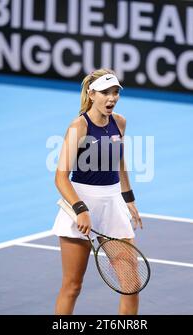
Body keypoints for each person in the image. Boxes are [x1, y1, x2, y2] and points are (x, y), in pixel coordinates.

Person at [52, 68, 143, 315]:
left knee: (131, 286)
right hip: (80, 203)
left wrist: (129, 198)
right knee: (72, 286)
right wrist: (80, 210)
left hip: (113, 204)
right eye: (105, 92)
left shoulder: (120, 122)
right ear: (91, 94)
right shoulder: (79, 126)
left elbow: (120, 161)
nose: (111, 98)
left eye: (115, 92)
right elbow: (60, 178)